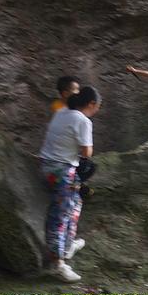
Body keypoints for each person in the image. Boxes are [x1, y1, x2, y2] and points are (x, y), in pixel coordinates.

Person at [40, 85, 102, 282]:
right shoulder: (83, 120)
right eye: (98, 106)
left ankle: (67, 247)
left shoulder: (62, 112)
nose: (98, 110)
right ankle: (57, 263)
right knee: (61, 215)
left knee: (75, 202)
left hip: (48, 166)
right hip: (62, 171)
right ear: (92, 104)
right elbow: (87, 152)